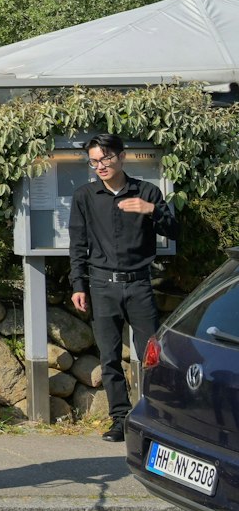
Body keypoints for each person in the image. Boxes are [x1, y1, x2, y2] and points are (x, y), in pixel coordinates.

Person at [67, 133, 177, 442]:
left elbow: (173, 230)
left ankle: (155, 417)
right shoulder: (85, 196)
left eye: (105, 159)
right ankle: (120, 419)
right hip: (102, 285)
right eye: (93, 161)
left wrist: (150, 210)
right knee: (109, 357)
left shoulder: (147, 192)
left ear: (121, 157)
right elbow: (78, 244)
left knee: (151, 356)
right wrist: (79, 284)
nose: (99, 165)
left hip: (139, 284)